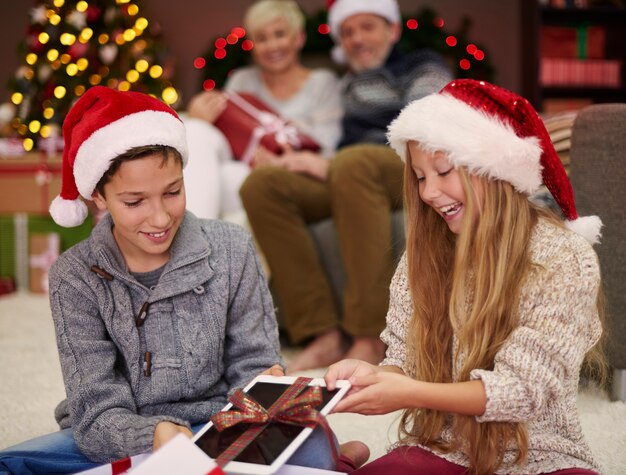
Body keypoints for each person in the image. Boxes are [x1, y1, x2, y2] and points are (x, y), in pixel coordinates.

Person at [0, 86, 338, 475]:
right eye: (134, 202)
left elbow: (254, 363)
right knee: (11, 464)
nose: (160, 218)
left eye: (173, 192)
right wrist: (154, 434)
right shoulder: (72, 278)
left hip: (222, 425)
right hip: (127, 435)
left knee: (314, 447)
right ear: (98, 196)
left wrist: (265, 385)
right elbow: (95, 413)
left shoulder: (232, 248)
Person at [326, 79, 606, 474]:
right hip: (444, 448)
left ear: (495, 171)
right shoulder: (423, 257)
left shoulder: (565, 258)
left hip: (542, 456)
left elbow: (523, 391)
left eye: (443, 171)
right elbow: (404, 360)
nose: (428, 193)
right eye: (421, 177)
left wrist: (407, 392)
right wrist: (373, 376)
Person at [240, 0, 452, 372]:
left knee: (353, 163)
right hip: (351, 172)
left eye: (367, 27)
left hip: (405, 165)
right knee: (264, 185)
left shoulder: (422, 65)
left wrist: (332, 164)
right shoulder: (348, 82)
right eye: (348, 31)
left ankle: (370, 336)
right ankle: (321, 332)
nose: (357, 39)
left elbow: (427, 130)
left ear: (393, 29)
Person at [182, 0, 343, 223]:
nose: (272, 46)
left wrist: (282, 160)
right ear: (253, 45)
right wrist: (199, 118)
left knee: (227, 179)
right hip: (241, 167)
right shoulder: (242, 80)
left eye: (280, 34)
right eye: (262, 38)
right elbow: (223, 136)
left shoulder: (322, 83)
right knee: (197, 130)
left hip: (291, 174)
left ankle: (190, 247)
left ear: (299, 38)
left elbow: (327, 145)